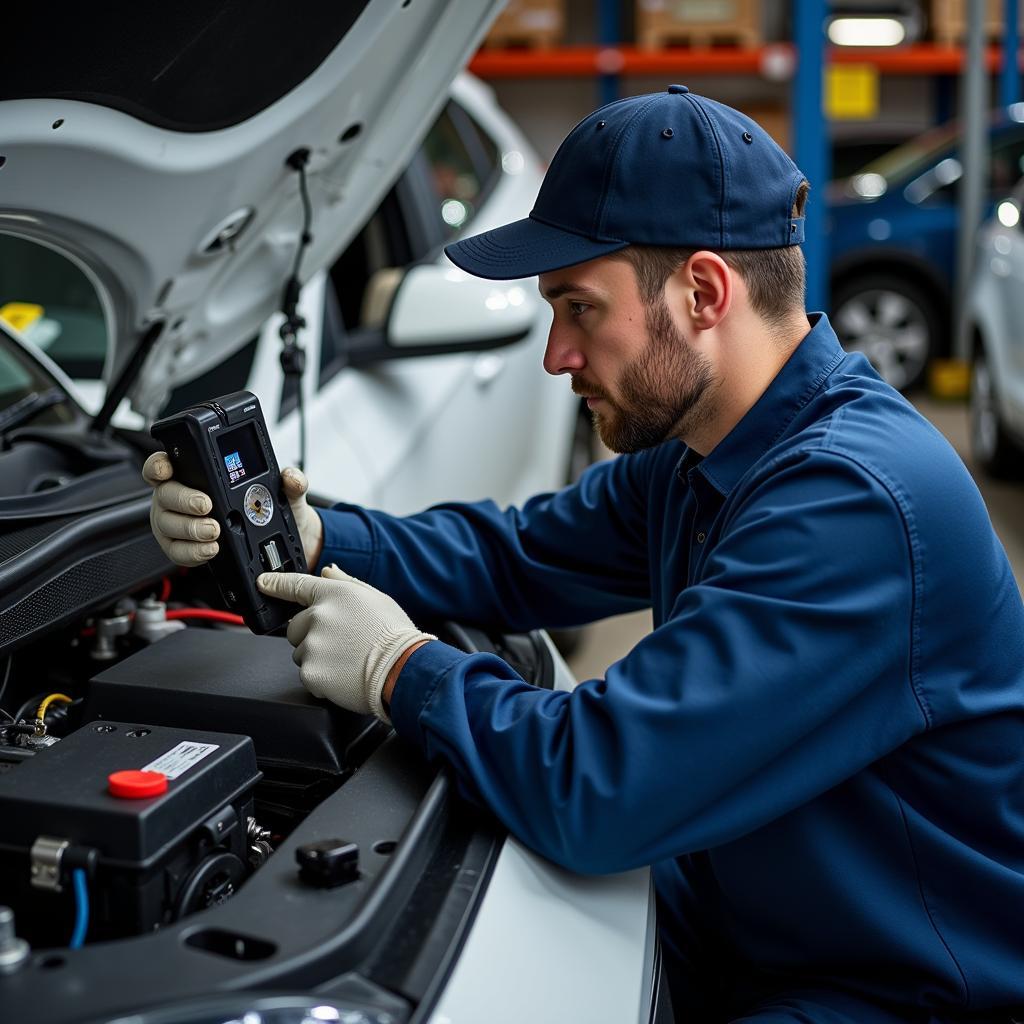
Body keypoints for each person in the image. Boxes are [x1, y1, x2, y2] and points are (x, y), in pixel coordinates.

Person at [143, 86, 1024, 1023]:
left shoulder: (854, 503)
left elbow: (601, 786)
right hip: (762, 922)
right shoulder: (710, 451)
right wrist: (318, 538)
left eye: (578, 307)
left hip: (893, 990)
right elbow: (516, 555)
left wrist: (400, 666)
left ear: (702, 292)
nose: (556, 355)